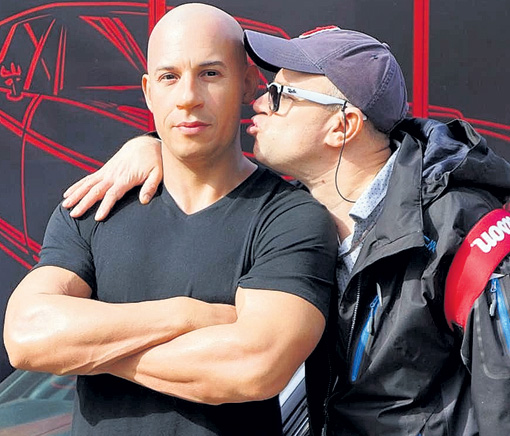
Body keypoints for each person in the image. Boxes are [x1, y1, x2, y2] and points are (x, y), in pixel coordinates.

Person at [64, 22, 510, 435]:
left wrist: (93, 356)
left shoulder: (462, 231)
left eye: (280, 94)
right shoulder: (291, 218)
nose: (259, 102)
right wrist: (152, 145)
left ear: (342, 126)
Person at [3, 4, 339, 436]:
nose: (188, 97)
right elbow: (26, 336)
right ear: (148, 91)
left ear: (247, 83)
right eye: (169, 77)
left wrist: (87, 350)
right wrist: (187, 316)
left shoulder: (290, 217)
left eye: (210, 74)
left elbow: (253, 368)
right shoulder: (96, 205)